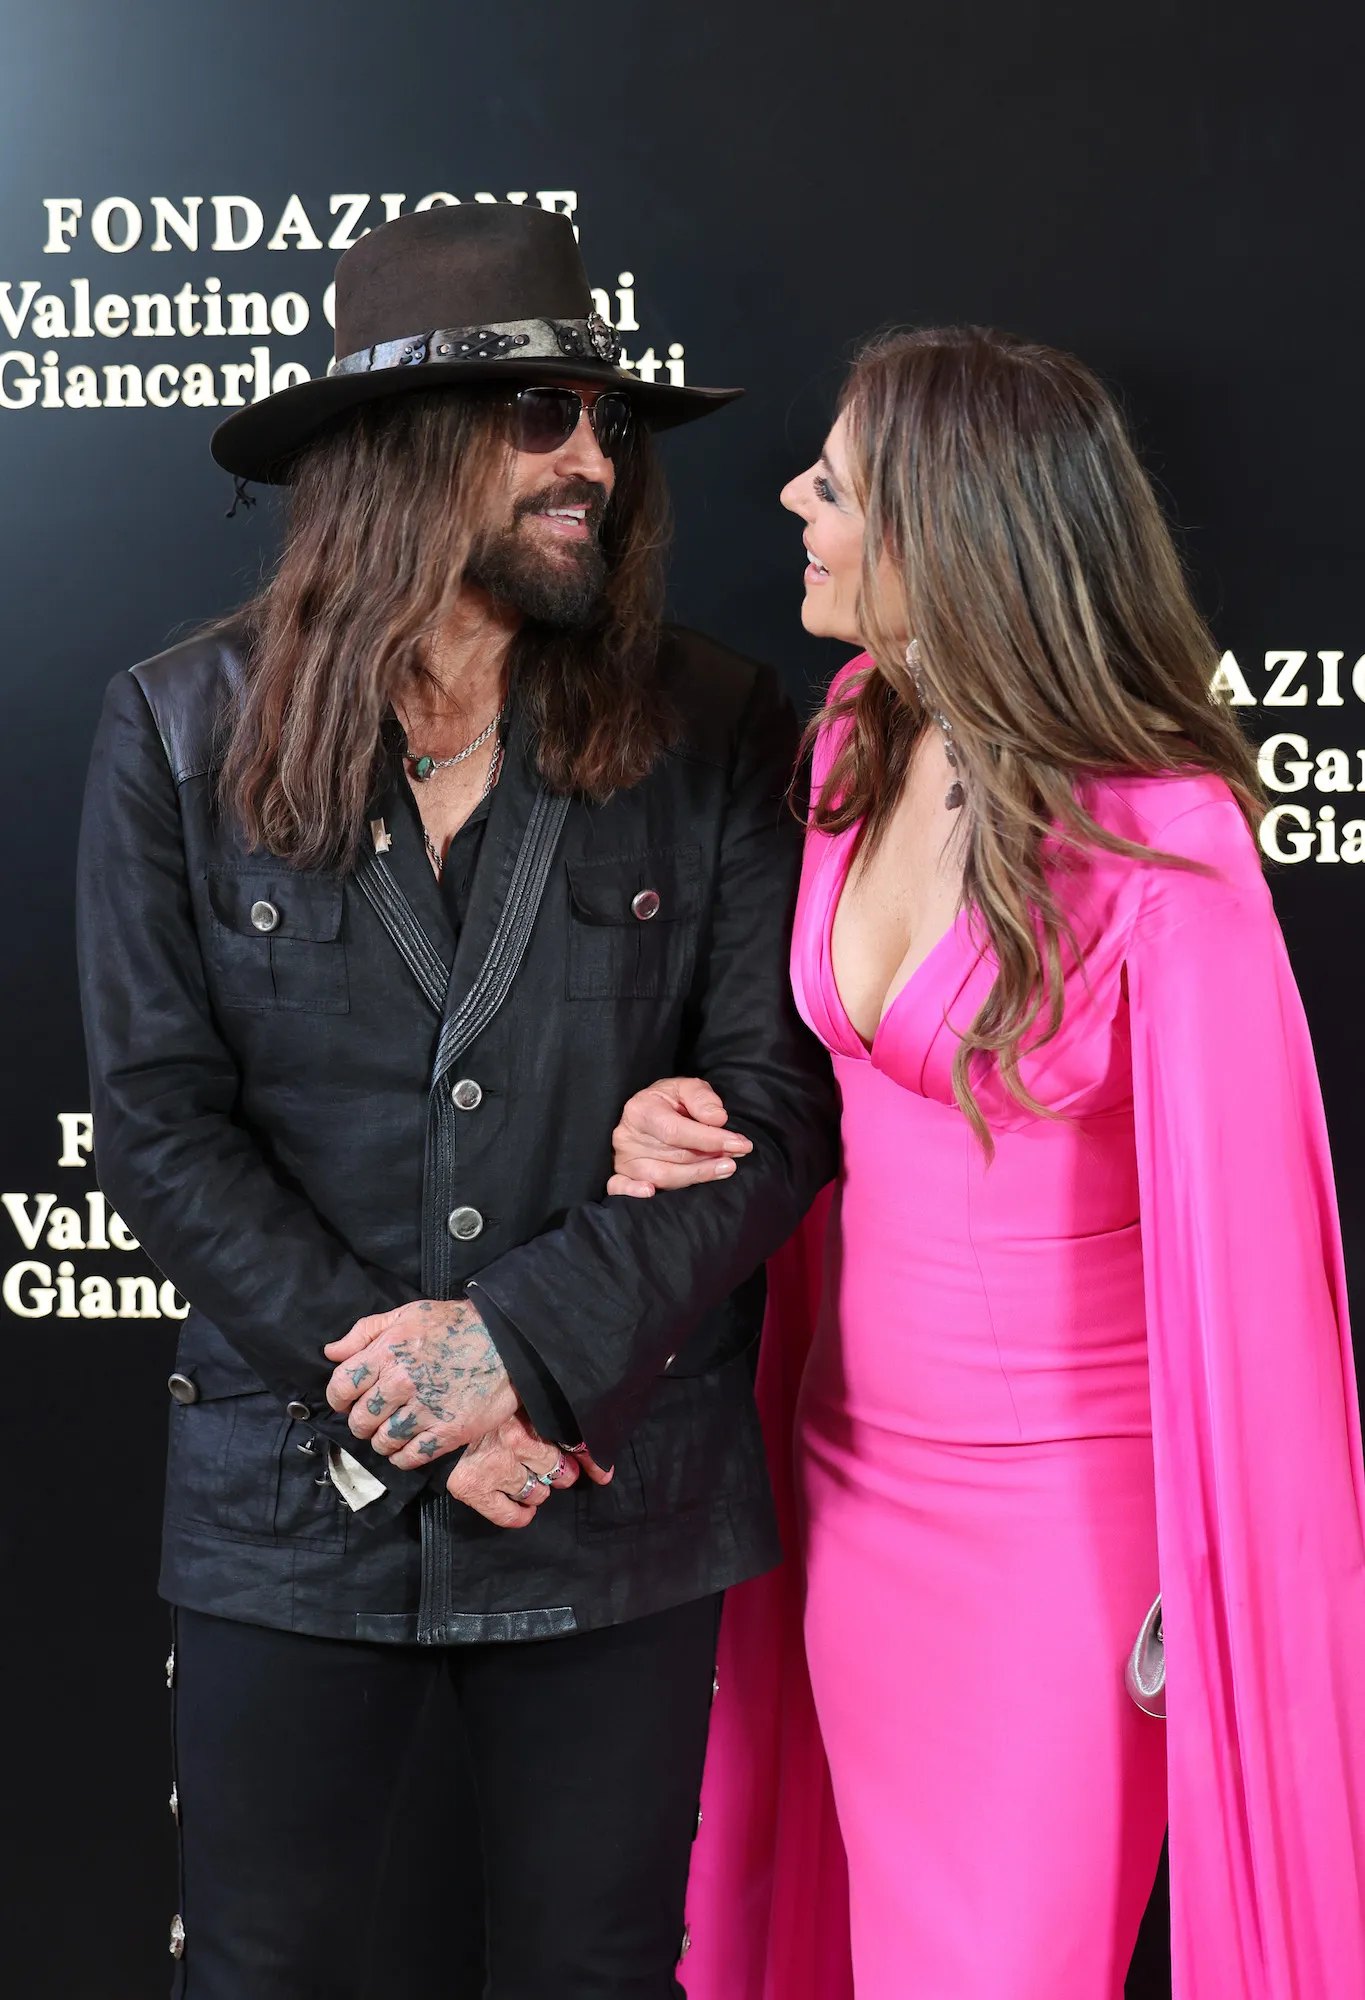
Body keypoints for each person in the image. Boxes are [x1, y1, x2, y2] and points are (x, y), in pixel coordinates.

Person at [75, 201, 836, 2000]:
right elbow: (160, 1124)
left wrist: (528, 1353)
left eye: (607, 422)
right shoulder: (176, 729)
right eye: (539, 417)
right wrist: (428, 1393)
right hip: (287, 1505)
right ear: (400, 453)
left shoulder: (721, 724)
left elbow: (775, 1110)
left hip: (610, 1497)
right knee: (261, 1969)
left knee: (595, 1970)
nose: (597, 462)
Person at [610, 327, 1365, 1998]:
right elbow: (819, 1104)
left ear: (953, 529)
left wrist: (1216, 1584)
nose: (795, 497)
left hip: (1063, 1549)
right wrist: (682, 1116)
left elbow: (1254, 1259)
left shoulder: (1159, 838)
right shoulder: (852, 739)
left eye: (841, 479)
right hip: (836, 1486)